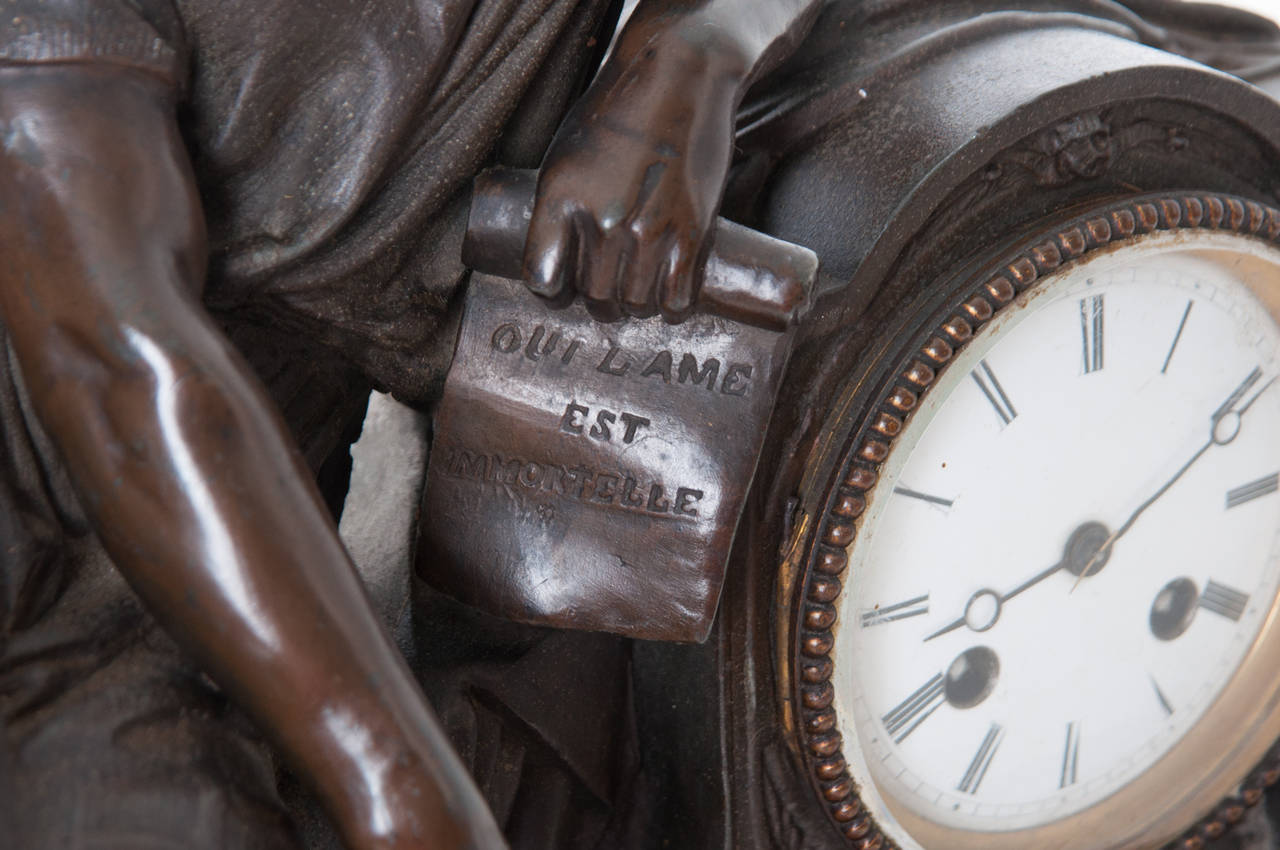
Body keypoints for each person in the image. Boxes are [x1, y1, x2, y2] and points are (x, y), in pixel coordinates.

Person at [0, 2, 821, 848]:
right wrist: (393, 786)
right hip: (83, 538)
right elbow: (115, 360)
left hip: (427, 432)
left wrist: (693, 44)